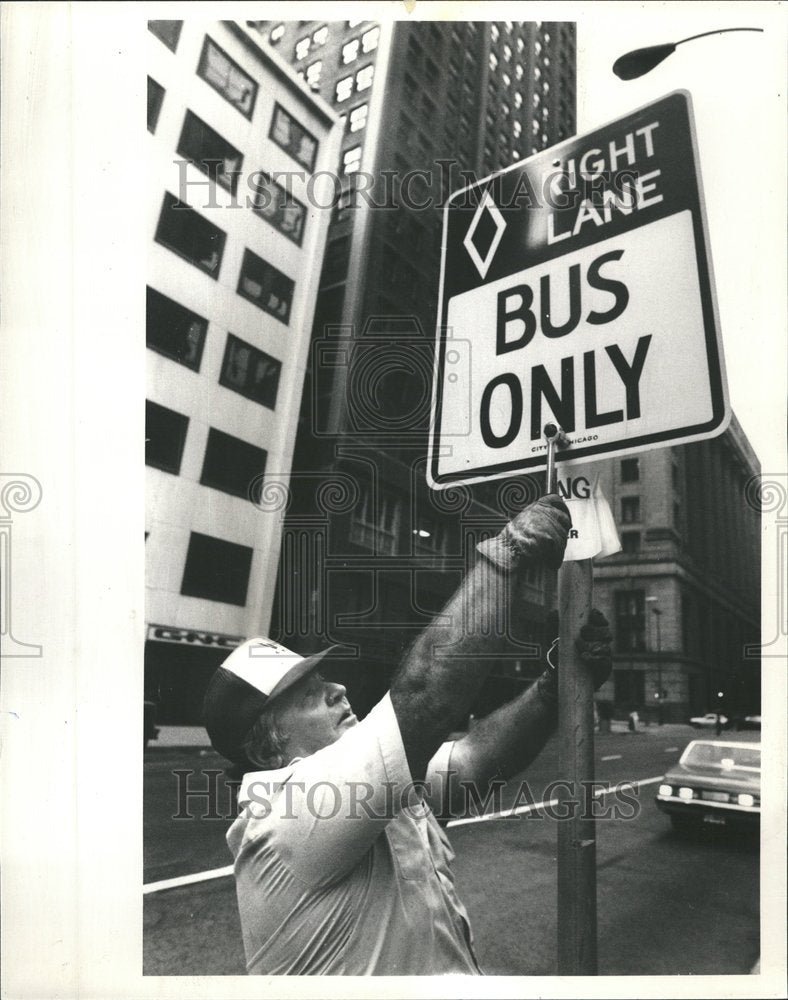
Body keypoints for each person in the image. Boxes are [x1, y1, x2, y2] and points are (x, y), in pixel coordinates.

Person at [203, 495, 612, 976]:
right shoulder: (287, 811)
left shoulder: (363, 788)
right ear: (268, 745)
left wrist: (552, 688)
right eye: (309, 694)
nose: (337, 689)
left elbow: (473, 761)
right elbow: (424, 698)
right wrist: (509, 550)